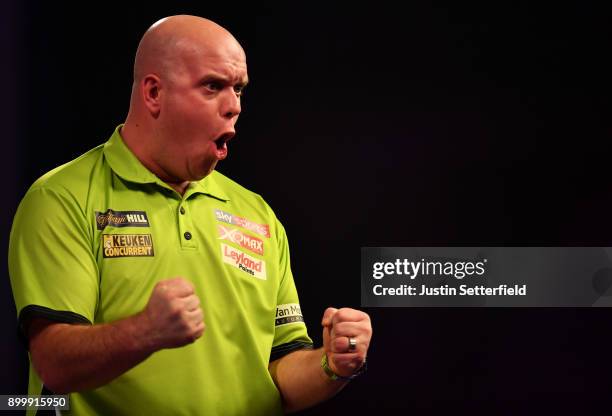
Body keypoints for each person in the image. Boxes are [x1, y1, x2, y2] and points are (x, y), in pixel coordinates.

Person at [9, 15, 372, 415]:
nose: (234, 106)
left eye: (238, 89)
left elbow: (279, 373)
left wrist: (331, 365)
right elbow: (54, 364)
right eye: (213, 86)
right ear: (153, 93)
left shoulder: (256, 214)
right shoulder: (62, 198)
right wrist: (146, 330)